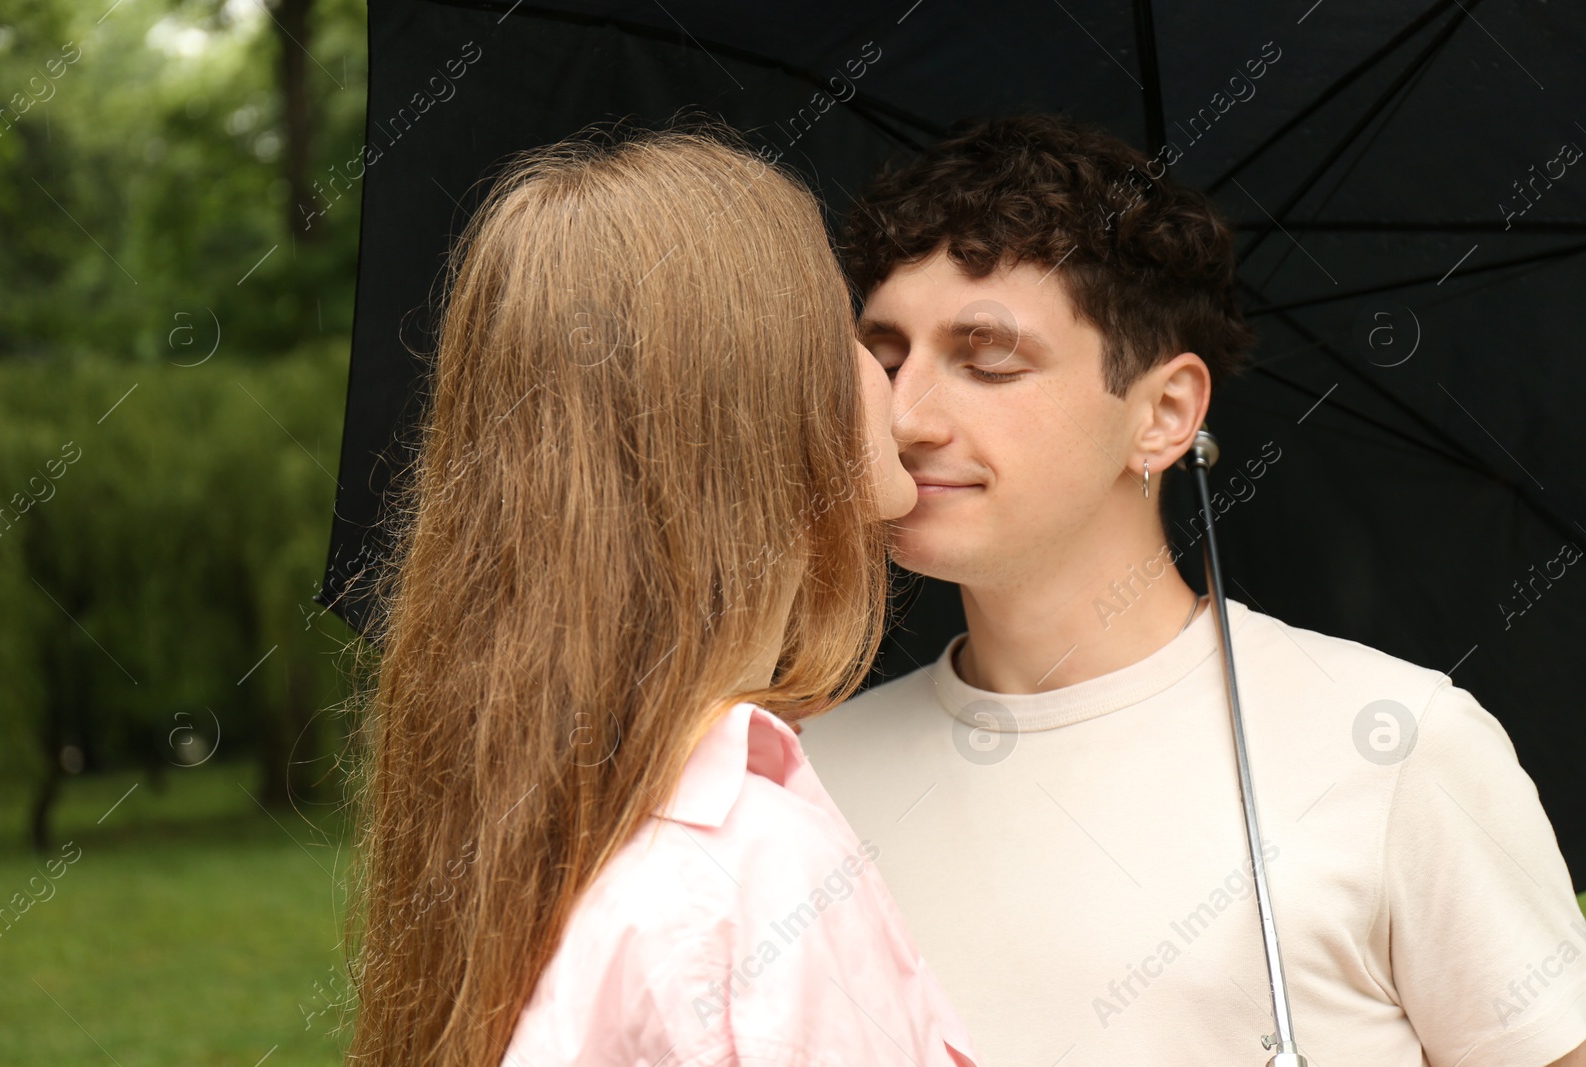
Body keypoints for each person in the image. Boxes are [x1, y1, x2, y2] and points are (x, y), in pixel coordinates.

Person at [797, 112, 1586, 1067]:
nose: (906, 414)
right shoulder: (800, 778)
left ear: (1165, 414)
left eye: (988, 358)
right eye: (883, 359)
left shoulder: (1394, 746)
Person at [340, 126, 979, 1067]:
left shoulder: (565, 829)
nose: (890, 385)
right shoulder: (747, 877)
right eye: (846, 328)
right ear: (759, 396)